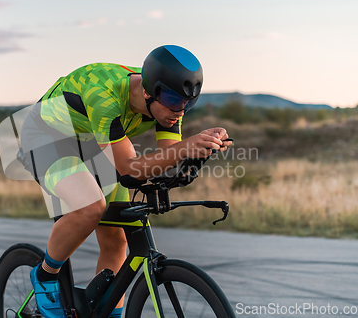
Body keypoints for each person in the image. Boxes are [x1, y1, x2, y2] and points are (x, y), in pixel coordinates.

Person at [20, 45, 232, 318]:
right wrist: (185, 147)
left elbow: (167, 161)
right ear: (147, 91)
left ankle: (107, 313)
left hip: (93, 141)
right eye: (173, 100)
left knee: (119, 236)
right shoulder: (105, 95)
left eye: (188, 103)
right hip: (47, 136)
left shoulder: (168, 104)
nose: (179, 111)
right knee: (90, 207)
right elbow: (129, 170)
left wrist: (198, 154)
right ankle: (46, 275)